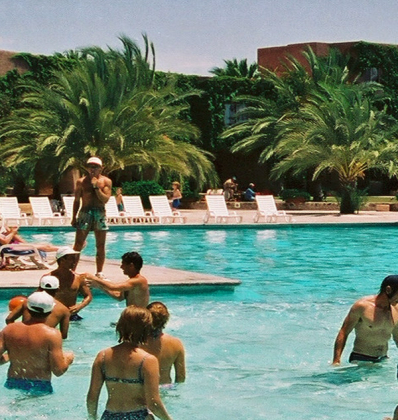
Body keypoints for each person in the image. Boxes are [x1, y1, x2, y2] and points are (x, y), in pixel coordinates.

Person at [86, 305, 173, 420]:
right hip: (138, 416)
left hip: (109, 416)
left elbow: (92, 397)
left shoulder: (102, 356)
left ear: (120, 326)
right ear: (146, 329)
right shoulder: (147, 361)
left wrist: (92, 418)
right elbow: (153, 403)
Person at [0, 291, 74, 394]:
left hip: (12, 384)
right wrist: (68, 358)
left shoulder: (9, 330)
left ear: (28, 308)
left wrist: (9, 357)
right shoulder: (51, 334)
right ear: (50, 311)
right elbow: (58, 370)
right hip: (40, 387)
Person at [332, 275, 398, 365]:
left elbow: (397, 337)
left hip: (383, 359)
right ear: (388, 290)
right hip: (362, 359)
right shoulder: (362, 306)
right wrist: (336, 361)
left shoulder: (396, 309)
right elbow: (344, 331)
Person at [72, 156, 112, 277]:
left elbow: (105, 199)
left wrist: (96, 187)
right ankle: (72, 270)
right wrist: (73, 217)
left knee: (100, 244)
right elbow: (77, 200)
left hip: (99, 212)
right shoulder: (81, 182)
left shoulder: (106, 182)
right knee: (78, 243)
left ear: (101, 168)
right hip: (85, 212)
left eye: (96, 166)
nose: (93, 169)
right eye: (91, 166)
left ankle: (99, 271)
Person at [6, 275, 70, 339]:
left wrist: (14, 334)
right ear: (58, 289)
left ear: (39, 288)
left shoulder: (28, 302)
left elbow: (9, 319)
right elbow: (63, 336)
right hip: (45, 342)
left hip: (24, 339)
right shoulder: (64, 310)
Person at [141, 302, 186, 384]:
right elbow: (181, 376)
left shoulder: (136, 342)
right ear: (166, 319)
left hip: (143, 388)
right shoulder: (176, 343)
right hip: (166, 387)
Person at [85, 251, 149, 308]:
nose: (121, 267)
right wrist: (99, 286)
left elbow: (113, 287)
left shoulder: (138, 281)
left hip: (139, 317)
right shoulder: (132, 282)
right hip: (132, 315)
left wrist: (94, 278)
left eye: (123, 264)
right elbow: (119, 297)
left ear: (131, 266)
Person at [50, 246, 93, 321]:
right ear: (62, 260)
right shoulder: (49, 278)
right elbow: (40, 296)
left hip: (72, 316)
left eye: (75, 258)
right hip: (55, 315)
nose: (74, 261)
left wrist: (79, 306)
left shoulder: (78, 278)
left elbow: (88, 296)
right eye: (71, 258)